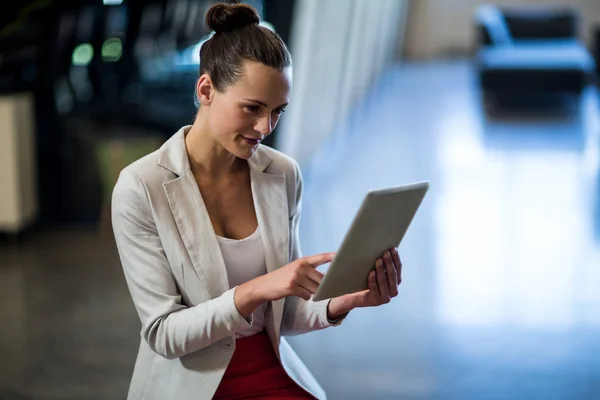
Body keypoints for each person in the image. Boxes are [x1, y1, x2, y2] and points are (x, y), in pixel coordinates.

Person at [111, 3, 403, 400]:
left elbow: (289, 313)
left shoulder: (282, 174)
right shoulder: (140, 187)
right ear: (206, 90)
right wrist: (256, 290)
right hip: (191, 383)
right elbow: (164, 334)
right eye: (252, 108)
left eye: (277, 112)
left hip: (269, 367)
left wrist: (347, 300)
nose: (265, 127)